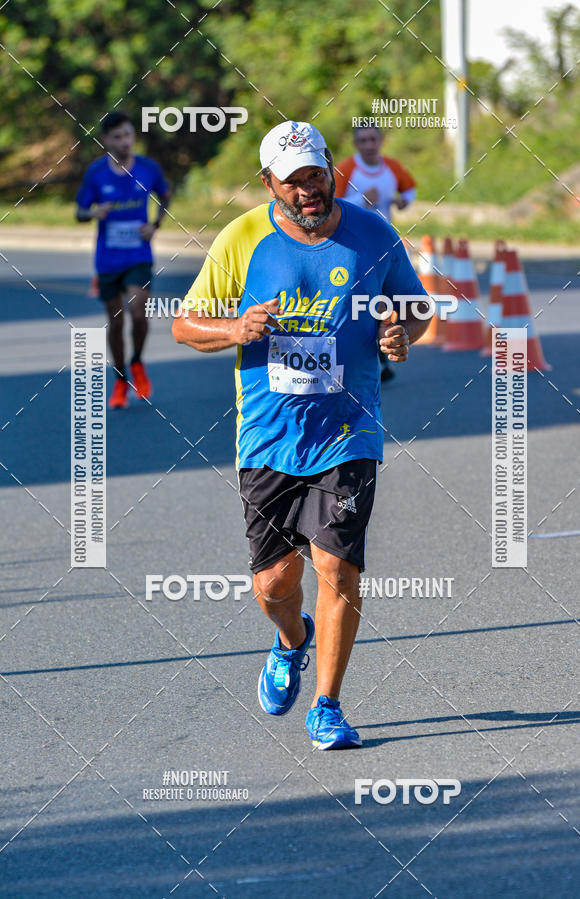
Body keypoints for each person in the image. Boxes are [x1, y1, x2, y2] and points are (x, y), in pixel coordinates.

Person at [172, 121, 429, 749]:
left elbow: (416, 309)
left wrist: (401, 334)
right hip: (267, 437)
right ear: (268, 185)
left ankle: (329, 705)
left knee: (337, 564)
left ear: (330, 171)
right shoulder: (242, 238)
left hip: (349, 432)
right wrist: (234, 328)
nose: (308, 191)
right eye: (293, 182)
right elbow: (184, 325)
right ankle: (291, 640)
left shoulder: (372, 233)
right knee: (273, 585)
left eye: (316, 175)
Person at [75, 111, 171, 408]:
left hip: (138, 255)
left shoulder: (147, 168)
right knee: (115, 324)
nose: (124, 141)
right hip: (107, 260)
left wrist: (155, 225)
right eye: (117, 137)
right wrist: (93, 213)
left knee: (139, 313)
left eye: (128, 135)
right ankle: (120, 380)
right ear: (106, 140)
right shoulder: (96, 173)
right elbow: (79, 211)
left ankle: (138, 362)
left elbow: (165, 195)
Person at [335, 126, 417, 382]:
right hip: (350, 244)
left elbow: (409, 188)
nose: (368, 144)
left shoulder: (391, 166)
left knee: (381, 300)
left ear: (380, 141)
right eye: (363, 140)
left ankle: (380, 355)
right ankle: (352, 354)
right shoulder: (347, 168)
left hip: (382, 243)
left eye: (373, 139)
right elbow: (331, 203)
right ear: (356, 143)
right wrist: (361, 201)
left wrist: (404, 201)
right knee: (357, 300)